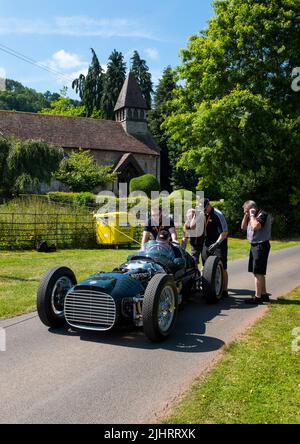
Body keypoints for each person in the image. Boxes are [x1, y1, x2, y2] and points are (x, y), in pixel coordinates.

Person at [241, 200, 272, 304]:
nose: (244, 212)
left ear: (251, 208)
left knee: (258, 272)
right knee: (258, 272)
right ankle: (264, 295)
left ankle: (257, 297)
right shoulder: (251, 216)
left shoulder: (262, 214)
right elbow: (243, 227)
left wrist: (252, 215)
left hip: (261, 245)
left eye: (245, 210)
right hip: (255, 245)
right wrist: (246, 216)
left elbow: (255, 226)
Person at [202, 199, 229, 298]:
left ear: (209, 205)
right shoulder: (203, 213)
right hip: (207, 241)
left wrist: (217, 244)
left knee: (222, 266)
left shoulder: (218, 214)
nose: (204, 212)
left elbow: (225, 232)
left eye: (205, 209)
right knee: (205, 266)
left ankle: (225, 290)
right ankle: (207, 289)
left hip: (219, 241)